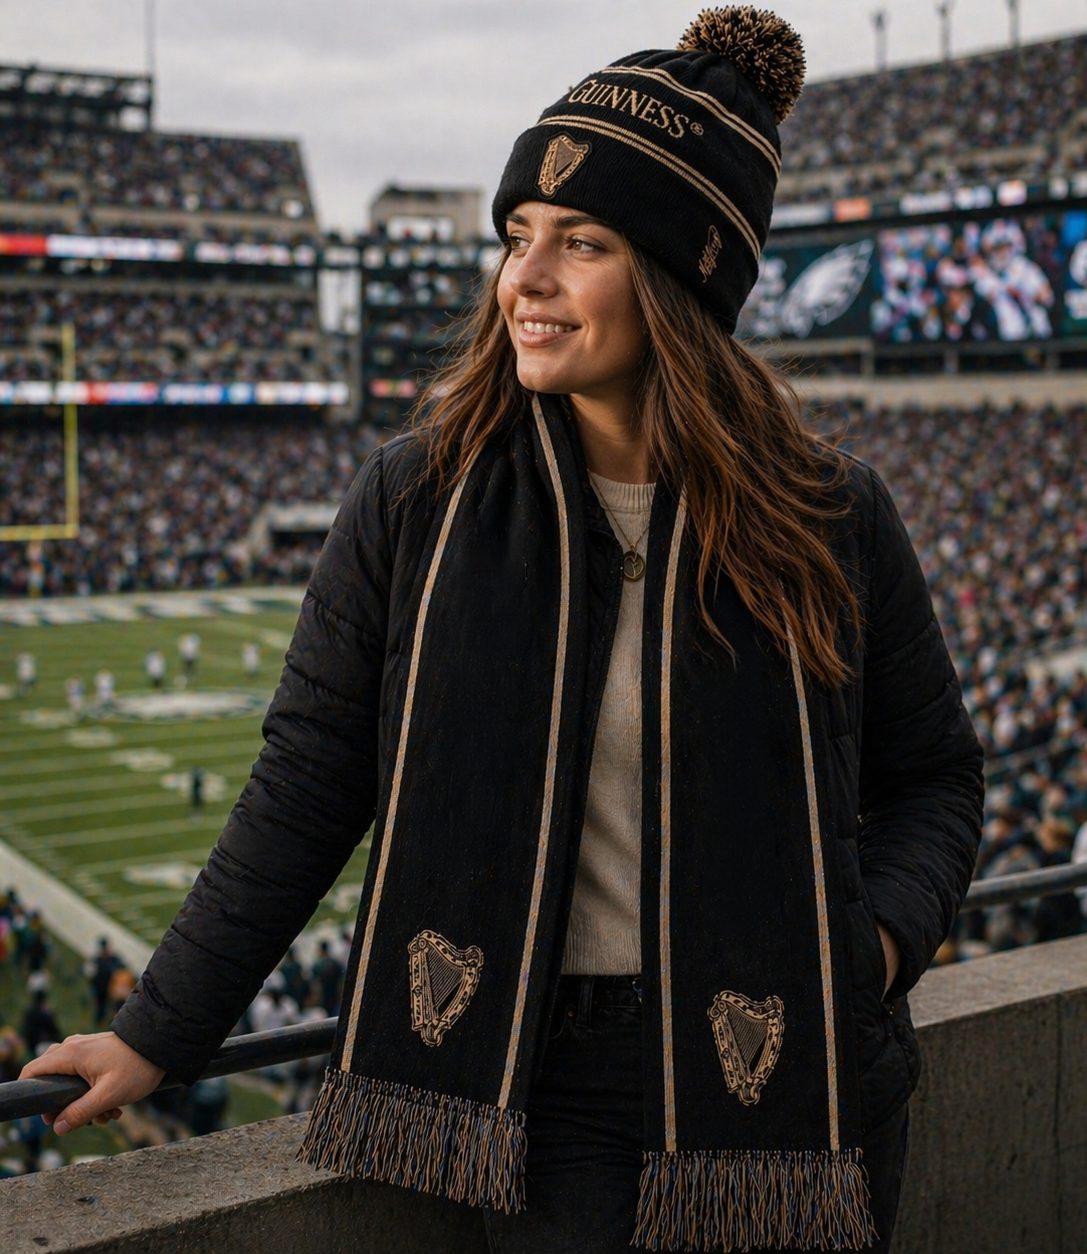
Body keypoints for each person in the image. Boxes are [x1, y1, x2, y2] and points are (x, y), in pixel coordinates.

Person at [22, 11, 983, 1252]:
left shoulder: (832, 511)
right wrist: (162, 1025)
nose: (521, 280)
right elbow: (311, 779)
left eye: (579, 243)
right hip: (546, 1078)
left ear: (683, 275)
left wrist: (876, 945)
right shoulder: (415, 497)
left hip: (802, 1065)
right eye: (517, 236)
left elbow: (937, 777)